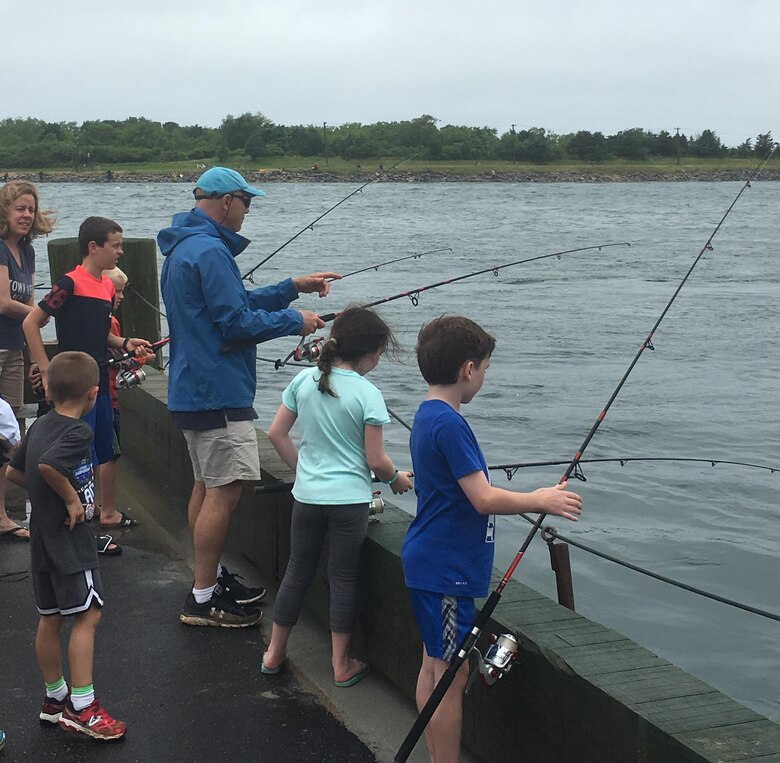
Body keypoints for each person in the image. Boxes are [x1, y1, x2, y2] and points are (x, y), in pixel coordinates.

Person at [158, 166, 341, 628]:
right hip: (218, 389)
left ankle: (209, 578)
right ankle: (202, 600)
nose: (247, 211)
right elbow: (235, 324)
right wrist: (293, 321)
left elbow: (231, 306)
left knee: (206, 484)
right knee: (224, 491)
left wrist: (289, 289)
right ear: (226, 201)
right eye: (247, 202)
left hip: (193, 386)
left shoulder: (186, 246)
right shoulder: (211, 250)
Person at [401, 316, 583, 763]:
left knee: (434, 664)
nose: (483, 376)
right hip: (447, 571)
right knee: (452, 676)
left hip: (434, 560)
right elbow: (481, 498)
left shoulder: (428, 415)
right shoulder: (449, 424)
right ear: (468, 370)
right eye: (484, 368)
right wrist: (539, 499)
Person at [263, 307, 413, 683]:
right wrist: (396, 479)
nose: (377, 362)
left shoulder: (305, 381)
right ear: (369, 353)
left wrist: (304, 473)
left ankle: (273, 653)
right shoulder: (368, 394)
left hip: (307, 497)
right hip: (348, 504)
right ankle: (340, 665)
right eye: (379, 354)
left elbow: (275, 434)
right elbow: (376, 460)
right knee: (343, 578)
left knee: (296, 572)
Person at [7, 351, 126, 740]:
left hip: (42, 539)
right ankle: (83, 706)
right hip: (69, 543)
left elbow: (15, 471)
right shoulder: (79, 432)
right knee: (88, 614)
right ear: (93, 394)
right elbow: (48, 467)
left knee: (51, 616)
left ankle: (54, 697)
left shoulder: (41, 423)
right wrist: (71, 500)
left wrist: (47, 496)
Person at [23, 217, 153, 531]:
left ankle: (95, 514)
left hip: (100, 384)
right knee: (74, 454)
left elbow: (99, 333)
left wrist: (125, 342)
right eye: (116, 245)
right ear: (94, 247)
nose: (120, 252)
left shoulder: (107, 285)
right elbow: (32, 323)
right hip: (74, 385)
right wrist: (46, 367)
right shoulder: (69, 282)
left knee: (105, 449)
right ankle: (69, 516)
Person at [0, 181, 54, 542]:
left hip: (13, 348)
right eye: (19, 208)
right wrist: (44, 313)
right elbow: (4, 303)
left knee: (10, 433)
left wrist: (38, 357)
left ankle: (2, 514)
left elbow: (29, 306)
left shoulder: (28, 253)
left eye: (31, 209)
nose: (26, 215)